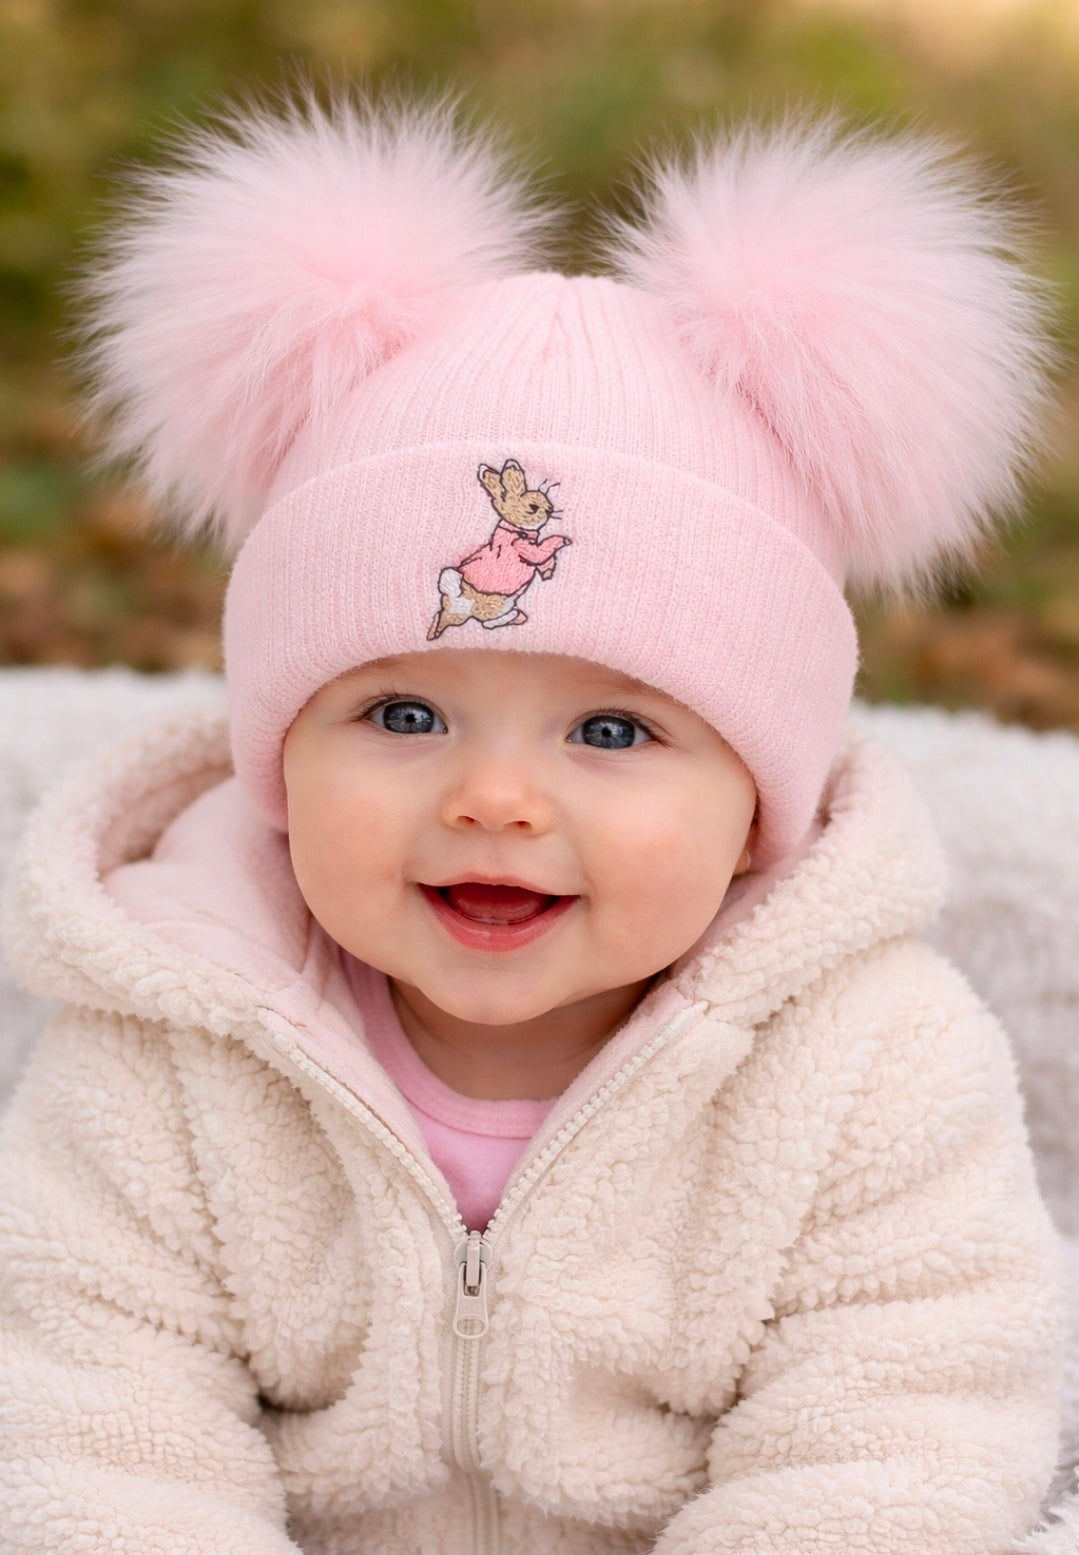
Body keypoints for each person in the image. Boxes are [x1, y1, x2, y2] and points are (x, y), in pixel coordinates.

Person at [0, 91, 1064, 1554]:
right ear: (276, 757)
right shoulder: (170, 1044)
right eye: (403, 716)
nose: (493, 798)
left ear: (764, 793)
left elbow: (904, 1439)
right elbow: (88, 1426)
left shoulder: (869, 1069)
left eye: (614, 732)